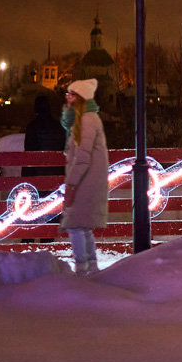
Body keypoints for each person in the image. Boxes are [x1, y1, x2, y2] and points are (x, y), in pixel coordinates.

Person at [60, 79, 109, 274]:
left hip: (84, 182)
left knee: (76, 225)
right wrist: (68, 117)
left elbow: (82, 157)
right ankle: (92, 267)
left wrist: (71, 184)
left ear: (80, 97)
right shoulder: (85, 118)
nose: (68, 98)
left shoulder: (87, 120)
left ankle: (82, 269)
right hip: (88, 181)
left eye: (71, 95)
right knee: (83, 226)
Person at [23, 93, 66, 243]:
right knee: (49, 210)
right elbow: (63, 152)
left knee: (31, 209)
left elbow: (29, 154)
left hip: (35, 175)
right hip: (53, 176)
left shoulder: (32, 127)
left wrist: (25, 179)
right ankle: (46, 242)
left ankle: (27, 242)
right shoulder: (57, 127)